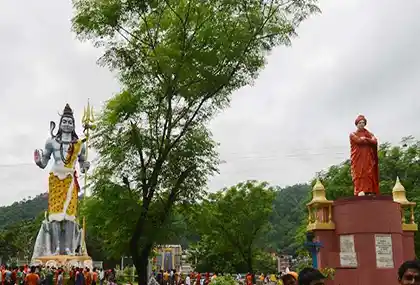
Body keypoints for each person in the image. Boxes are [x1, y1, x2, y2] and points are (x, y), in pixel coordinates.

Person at [350, 114, 379, 196]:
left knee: (368, 172)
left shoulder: (369, 134)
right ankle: (359, 190)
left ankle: (369, 190)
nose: (361, 124)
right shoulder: (353, 134)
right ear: (356, 124)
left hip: (368, 157)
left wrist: (365, 139)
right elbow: (358, 141)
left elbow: (375, 141)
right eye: (359, 123)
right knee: (359, 172)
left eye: (363, 122)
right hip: (357, 158)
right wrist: (368, 140)